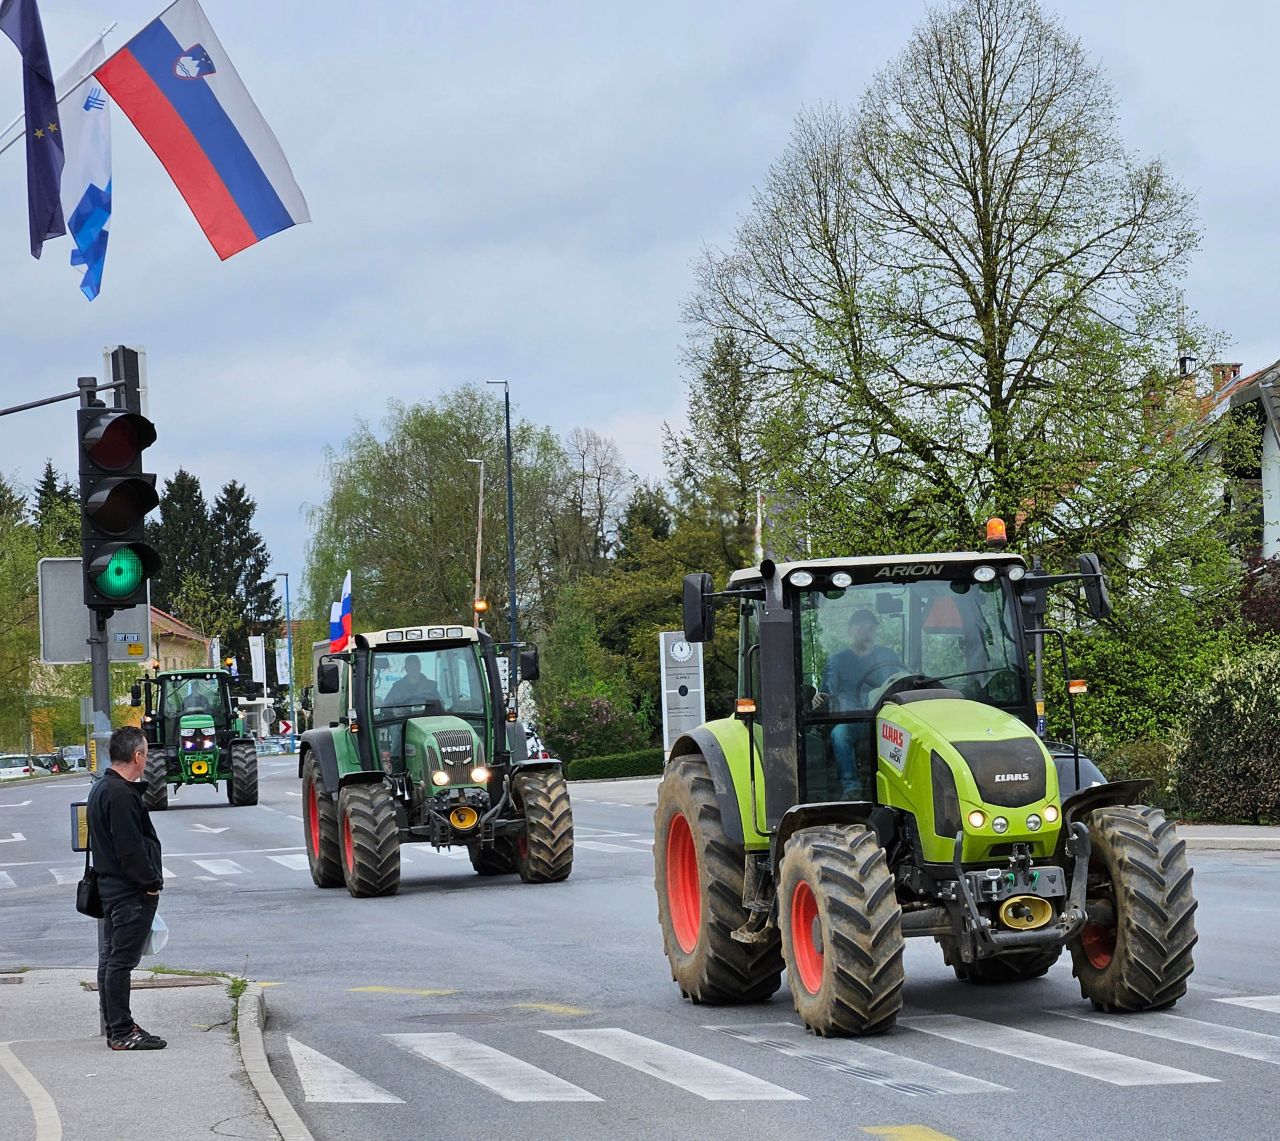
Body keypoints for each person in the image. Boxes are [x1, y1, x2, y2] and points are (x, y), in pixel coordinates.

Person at [86, 725, 166, 1051]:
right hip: (128, 893)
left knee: (111, 960)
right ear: (137, 756)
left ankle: (117, 1025)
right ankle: (121, 1031)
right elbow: (130, 849)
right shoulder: (120, 795)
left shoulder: (102, 788)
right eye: (145, 753)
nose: (146, 759)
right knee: (120, 962)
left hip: (111, 889)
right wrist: (151, 884)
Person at [812, 609, 905, 798]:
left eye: (869, 626)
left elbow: (899, 682)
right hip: (851, 718)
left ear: (875, 630)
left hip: (883, 717)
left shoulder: (887, 656)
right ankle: (851, 788)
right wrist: (819, 697)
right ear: (850, 631)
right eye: (859, 626)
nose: (864, 631)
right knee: (839, 733)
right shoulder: (837, 660)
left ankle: (900, 788)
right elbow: (827, 692)